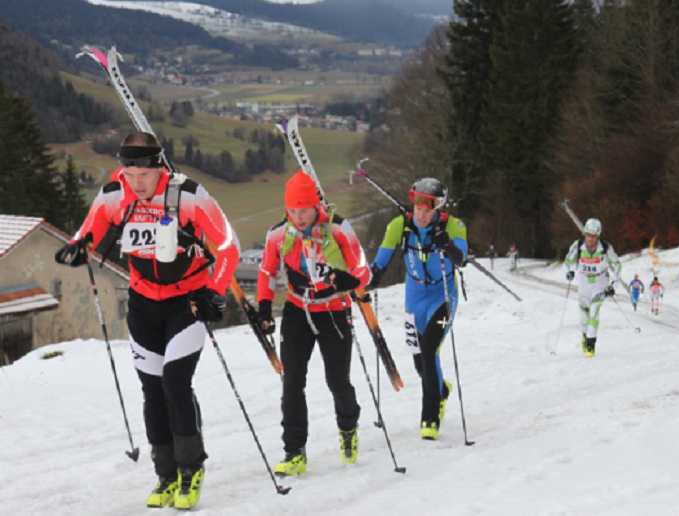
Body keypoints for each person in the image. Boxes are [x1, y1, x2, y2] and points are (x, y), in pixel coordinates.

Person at [54, 132, 240, 510]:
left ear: (159, 167)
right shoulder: (113, 195)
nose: (137, 183)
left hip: (186, 302)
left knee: (175, 381)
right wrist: (77, 247)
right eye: (130, 173)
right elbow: (90, 230)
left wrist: (214, 291)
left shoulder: (188, 195)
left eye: (144, 174)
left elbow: (228, 246)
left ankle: (191, 469)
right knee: (152, 390)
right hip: (143, 303)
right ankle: (165, 475)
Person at [255, 171, 371, 476]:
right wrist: (264, 306)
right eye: (292, 211)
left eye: (303, 210)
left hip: (333, 309)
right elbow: (267, 272)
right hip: (297, 308)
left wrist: (350, 280)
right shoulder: (279, 233)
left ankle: (348, 428)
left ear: (315, 205)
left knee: (337, 380)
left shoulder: (338, 228)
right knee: (292, 381)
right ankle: (294, 451)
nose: (298, 217)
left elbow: (363, 270)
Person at [369, 177, 468, 440]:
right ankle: (440, 391)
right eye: (418, 208)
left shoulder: (454, 226)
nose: (422, 215)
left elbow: (462, 259)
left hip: (443, 296)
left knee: (429, 348)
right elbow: (379, 264)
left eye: (428, 209)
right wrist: (366, 281)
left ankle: (430, 416)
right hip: (414, 298)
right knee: (419, 361)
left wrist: (446, 243)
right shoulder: (399, 226)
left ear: (438, 208)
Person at [564, 218, 621, 357]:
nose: (590, 239)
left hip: (599, 283)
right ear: (585, 234)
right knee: (584, 318)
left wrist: (613, 284)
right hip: (583, 284)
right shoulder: (578, 245)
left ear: (598, 235)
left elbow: (617, 265)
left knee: (594, 311)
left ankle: (591, 345)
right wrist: (570, 271)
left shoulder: (606, 248)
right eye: (588, 235)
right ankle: (585, 336)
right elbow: (568, 260)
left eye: (593, 236)